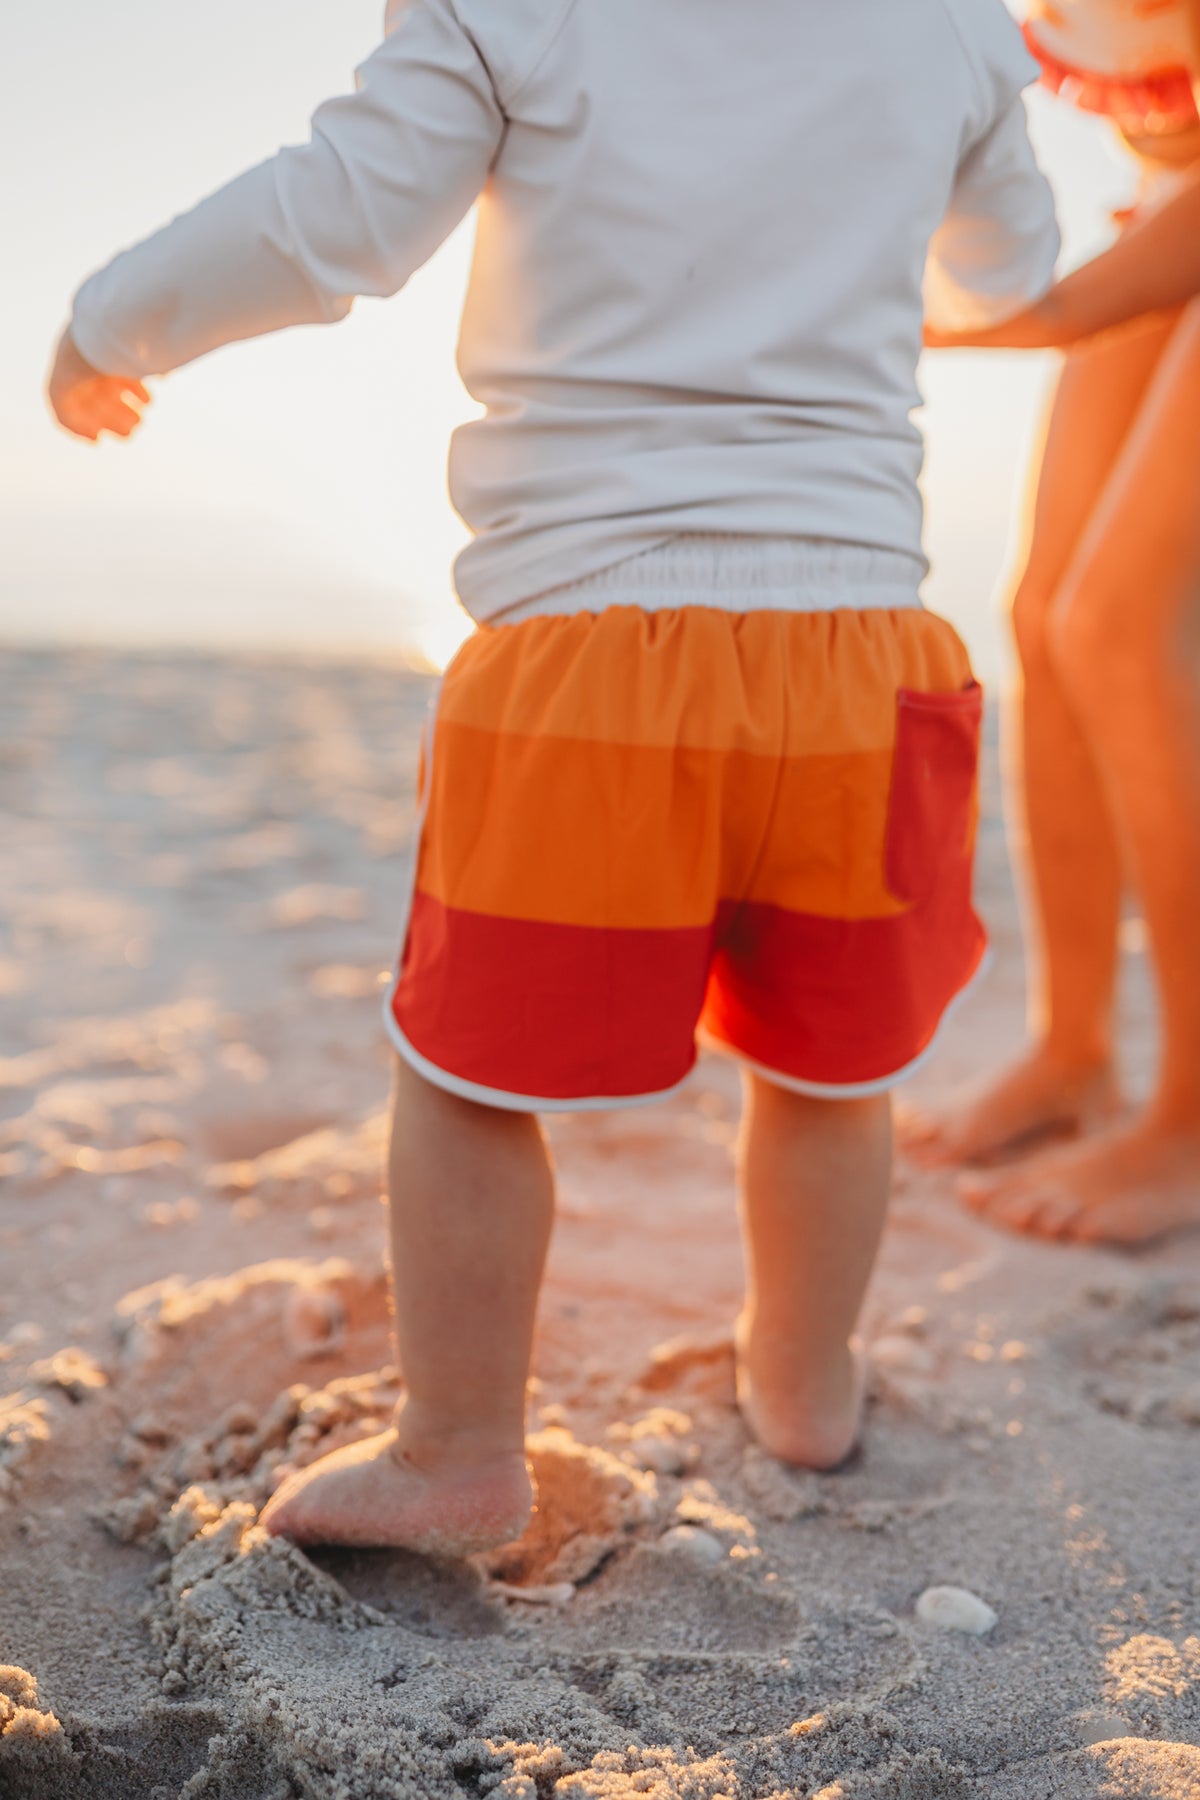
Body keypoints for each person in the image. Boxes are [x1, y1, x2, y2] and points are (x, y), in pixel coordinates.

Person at [48, 0, 1058, 1555]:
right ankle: (803, 1383)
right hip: (869, 652)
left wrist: (116, 320)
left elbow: (337, 221)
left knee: (466, 1077)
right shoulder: (957, 30)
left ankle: (457, 1446)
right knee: (829, 1069)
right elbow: (1001, 270)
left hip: (593, 650)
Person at [908, 0, 1200, 1248]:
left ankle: (1190, 1123)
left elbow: (1058, 308)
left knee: (1119, 625)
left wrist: (1007, 313)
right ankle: (1072, 1050)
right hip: (1173, 192)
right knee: (1041, 616)